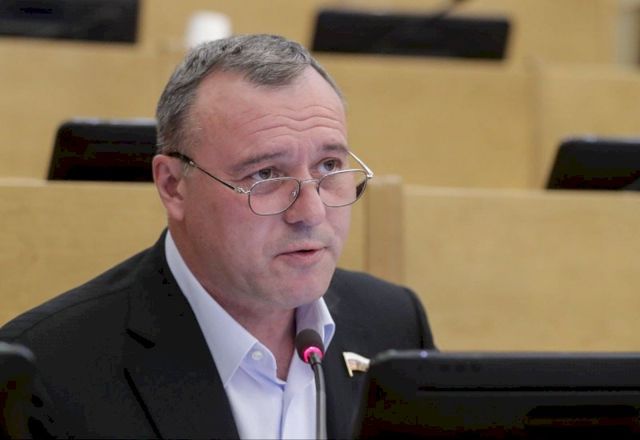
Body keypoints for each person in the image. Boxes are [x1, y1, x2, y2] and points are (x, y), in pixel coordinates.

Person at [0, 34, 434, 439]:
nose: (311, 211)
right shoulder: (46, 371)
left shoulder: (392, 322)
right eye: (265, 174)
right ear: (173, 186)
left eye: (329, 166)